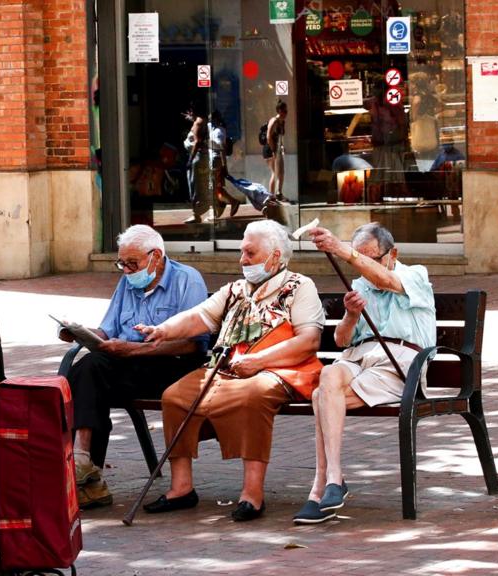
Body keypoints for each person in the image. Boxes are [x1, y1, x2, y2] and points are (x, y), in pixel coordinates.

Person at [135, 220, 324, 521]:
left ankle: (252, 493)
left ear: (275, 256)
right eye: (241, 252)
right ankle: (182, 488)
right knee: (174, 397)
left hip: (279, 369)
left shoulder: (300, 286)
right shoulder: (235, 289)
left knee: (253, 395)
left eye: (250, 253)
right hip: (229, 369)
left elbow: (309, 340)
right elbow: (199, 317)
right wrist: (163, 330)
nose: (242, 260)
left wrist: (259, 360)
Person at [295, 223, 435, 524]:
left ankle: (321, 486)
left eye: (371, 258)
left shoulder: (414, 275)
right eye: (359, 258)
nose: (363, 265)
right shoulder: (358, 286)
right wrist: (351, 315)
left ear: (392, 253)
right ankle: (334, 477)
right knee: (328, 376)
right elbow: (342, 341)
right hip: (359, 357)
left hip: (398, 361)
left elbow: (385, 280)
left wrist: (340, 249)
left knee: (321, 396)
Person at [63, 225, 209, 508]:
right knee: (83, 372)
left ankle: (84, 466)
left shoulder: (187, 280)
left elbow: (194, 343)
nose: (127, 270)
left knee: (91, 372)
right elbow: (108, 330)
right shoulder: (127, 283)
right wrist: (81, 333)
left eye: (133, 264)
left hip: (170, 366)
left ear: (155, 257)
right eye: (123, 264)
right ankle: (84, 466)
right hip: (127, 363)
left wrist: (137, 349)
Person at [265, 100, 287, 200]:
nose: (285, 113)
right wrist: (273, 150)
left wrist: (282, 147)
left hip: (278, 149)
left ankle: (279, 193)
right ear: (278, 111)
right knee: (274, 172)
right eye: (283, 111)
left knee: (281, 172)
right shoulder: (274, 121)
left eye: (286, 111)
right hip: (270, 149)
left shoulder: (282, 122)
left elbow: (280, 137)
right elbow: (268, 137)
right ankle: (271, 196)